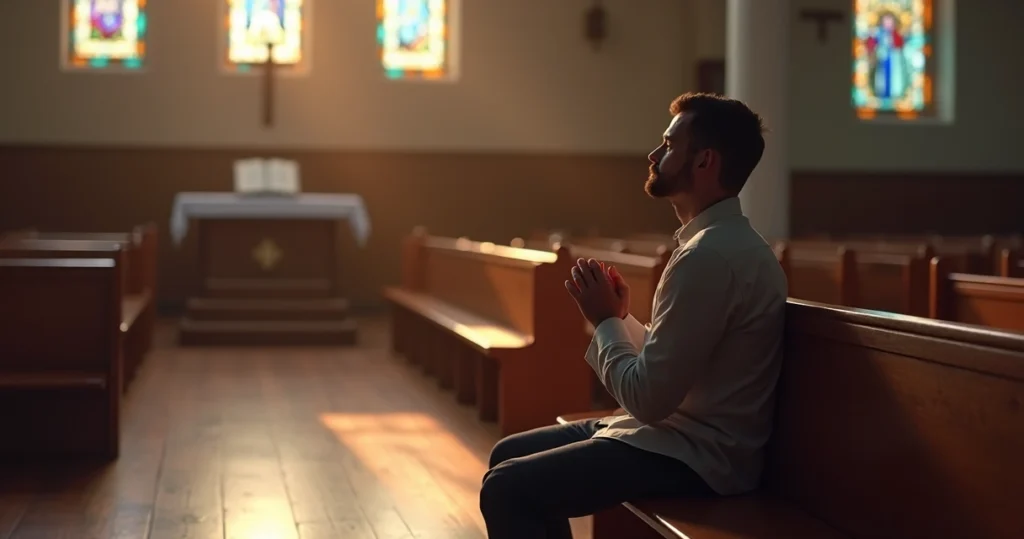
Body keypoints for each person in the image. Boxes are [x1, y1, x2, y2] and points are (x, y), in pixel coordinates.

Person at [478, 92, 788, 539]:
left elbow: (646, 399)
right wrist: (622, 319)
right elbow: (683, 364)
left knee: (509, 489)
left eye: (668, 145)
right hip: (678, 434)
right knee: (507, 455)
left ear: (704, 162)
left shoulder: (709, 257)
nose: (654, 154)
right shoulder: (721, 245)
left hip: (697, 456)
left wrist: (605, 322)